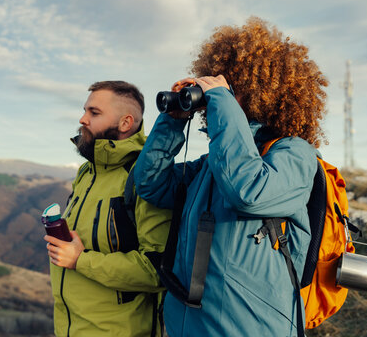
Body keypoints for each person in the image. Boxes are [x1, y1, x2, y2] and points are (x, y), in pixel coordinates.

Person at [134, 17, 328, 336]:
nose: (210, 98)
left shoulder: (295, 154)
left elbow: (249, 191)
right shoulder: (214, 163)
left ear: (257, 93)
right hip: (188, 324)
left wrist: (222, 101)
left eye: (227, 88)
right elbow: (150, 185)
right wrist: (172, 121)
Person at [44, 81, 171, 337]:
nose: (83, 119)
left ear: (125, 123)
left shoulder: (145, 176)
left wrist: (81, 260)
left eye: (94, 112)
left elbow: (157, 270)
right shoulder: (87, 171)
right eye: (85, 110)